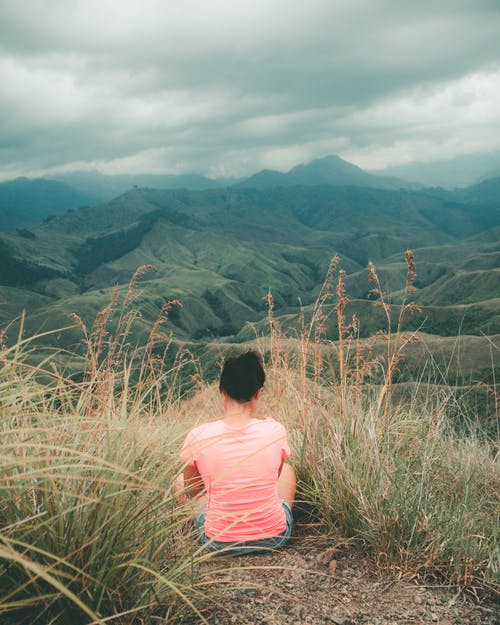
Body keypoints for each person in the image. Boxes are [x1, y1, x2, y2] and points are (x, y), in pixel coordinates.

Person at [179, 350, 296, 554]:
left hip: (216, 541)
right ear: (258, 392)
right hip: (275, 537)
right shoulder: (275, 430)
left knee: (178, 482)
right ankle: (265, 518)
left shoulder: (199, 435)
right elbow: (275, 478)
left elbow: (193, 490)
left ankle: (215, 520)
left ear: (222, 390)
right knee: (288, 470)